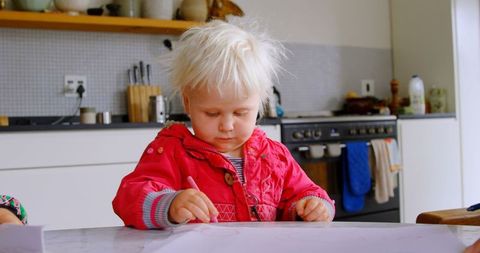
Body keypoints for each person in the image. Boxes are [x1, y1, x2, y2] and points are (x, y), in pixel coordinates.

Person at [112, 20, 335, 229]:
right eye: (212, 113)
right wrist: (169, 205)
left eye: (240, 112)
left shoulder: (275, 157)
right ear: (188, 103)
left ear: (259, 103)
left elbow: (306, 194)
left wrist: (314, 206)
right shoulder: (171, 152)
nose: (227, 125)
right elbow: (128, 198)